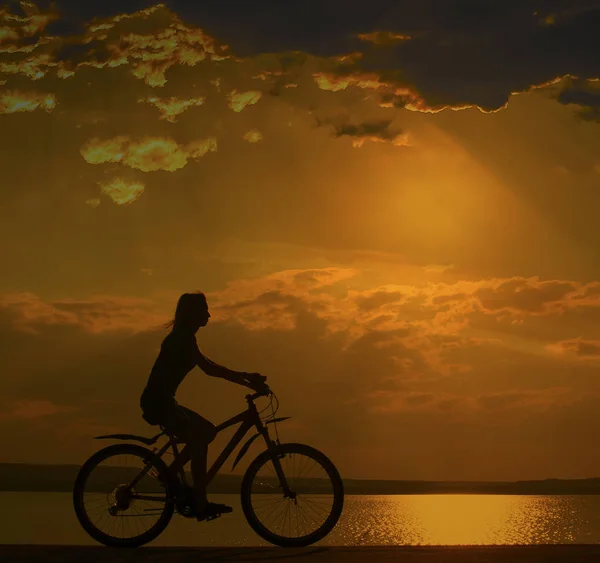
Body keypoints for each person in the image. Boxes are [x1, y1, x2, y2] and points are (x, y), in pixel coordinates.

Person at [140, 291, 268, 520]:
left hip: (163, 402)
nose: (209, 314)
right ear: (193, 313)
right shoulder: (181, 338)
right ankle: (197, 498)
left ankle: (175, 479)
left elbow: (208, 364)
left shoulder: (186, 336)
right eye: (204, 310)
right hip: (158, 404)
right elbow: (210, 369)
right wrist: (247, 380)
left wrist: (246, 378)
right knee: (202, 435)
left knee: (207, 431)